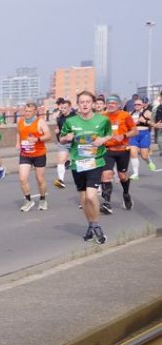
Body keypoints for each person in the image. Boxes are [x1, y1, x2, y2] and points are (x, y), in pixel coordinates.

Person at [58, 90, 111, 244]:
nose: (85, 104)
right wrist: (66, 138)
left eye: (88, 102)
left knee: (90, 196)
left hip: (95, 162)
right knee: (83, 199)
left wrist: (102, 140)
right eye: (82, 102)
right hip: (78, 164)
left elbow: (109, 134)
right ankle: (91, 225)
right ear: (78, 105)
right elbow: (61, 138)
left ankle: (96, 225)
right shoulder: (71, 121)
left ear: (93, 104)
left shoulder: (103, 120)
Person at [99, 95, 136, 213]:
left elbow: (134, 131)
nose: (110, 105)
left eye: (113, 103)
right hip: (107, 150)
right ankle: (107, 203)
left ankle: (126, 194)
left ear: (119, 105)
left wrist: (124, 135)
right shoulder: (102, 116)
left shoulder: (125, 115)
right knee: (106, 175)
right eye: (108, 103)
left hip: (122, 150)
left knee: (122, 176)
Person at [14, 101, 52, 212]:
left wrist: (37, 139)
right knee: (22, 178)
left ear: (35, 111)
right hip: (25, 154)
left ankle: (43, 199)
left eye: (30, 111)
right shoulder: (20, 121)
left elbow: (49, 135)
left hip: (39, 154)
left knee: (40, 179)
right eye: (26, 111)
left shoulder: (40, 122)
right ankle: (28, 200)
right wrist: (17, 142)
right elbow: (18, 132)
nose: (27, 113)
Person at [129, 97, 153, 176]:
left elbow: (153, 122)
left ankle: (149, 161)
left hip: (144, 134)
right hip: (134, 135)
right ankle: (135, 173)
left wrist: (145, 121)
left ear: (142, 105)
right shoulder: (130, 114)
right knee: (133, 153)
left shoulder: (147, 112)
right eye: (135, 104)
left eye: (138, 104)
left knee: (144, 156)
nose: (137, 106)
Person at [52, 97, 73, 188]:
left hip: (75, 142)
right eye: (62, 108)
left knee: (80, 163)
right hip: (63, 142)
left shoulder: (75, 116)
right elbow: (59, 127)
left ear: (70, 108)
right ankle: (61, 181)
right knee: (61, 161)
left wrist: (72, 134)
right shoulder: (60, 117)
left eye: (65, 108)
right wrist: (57, 131)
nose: (63, 109)